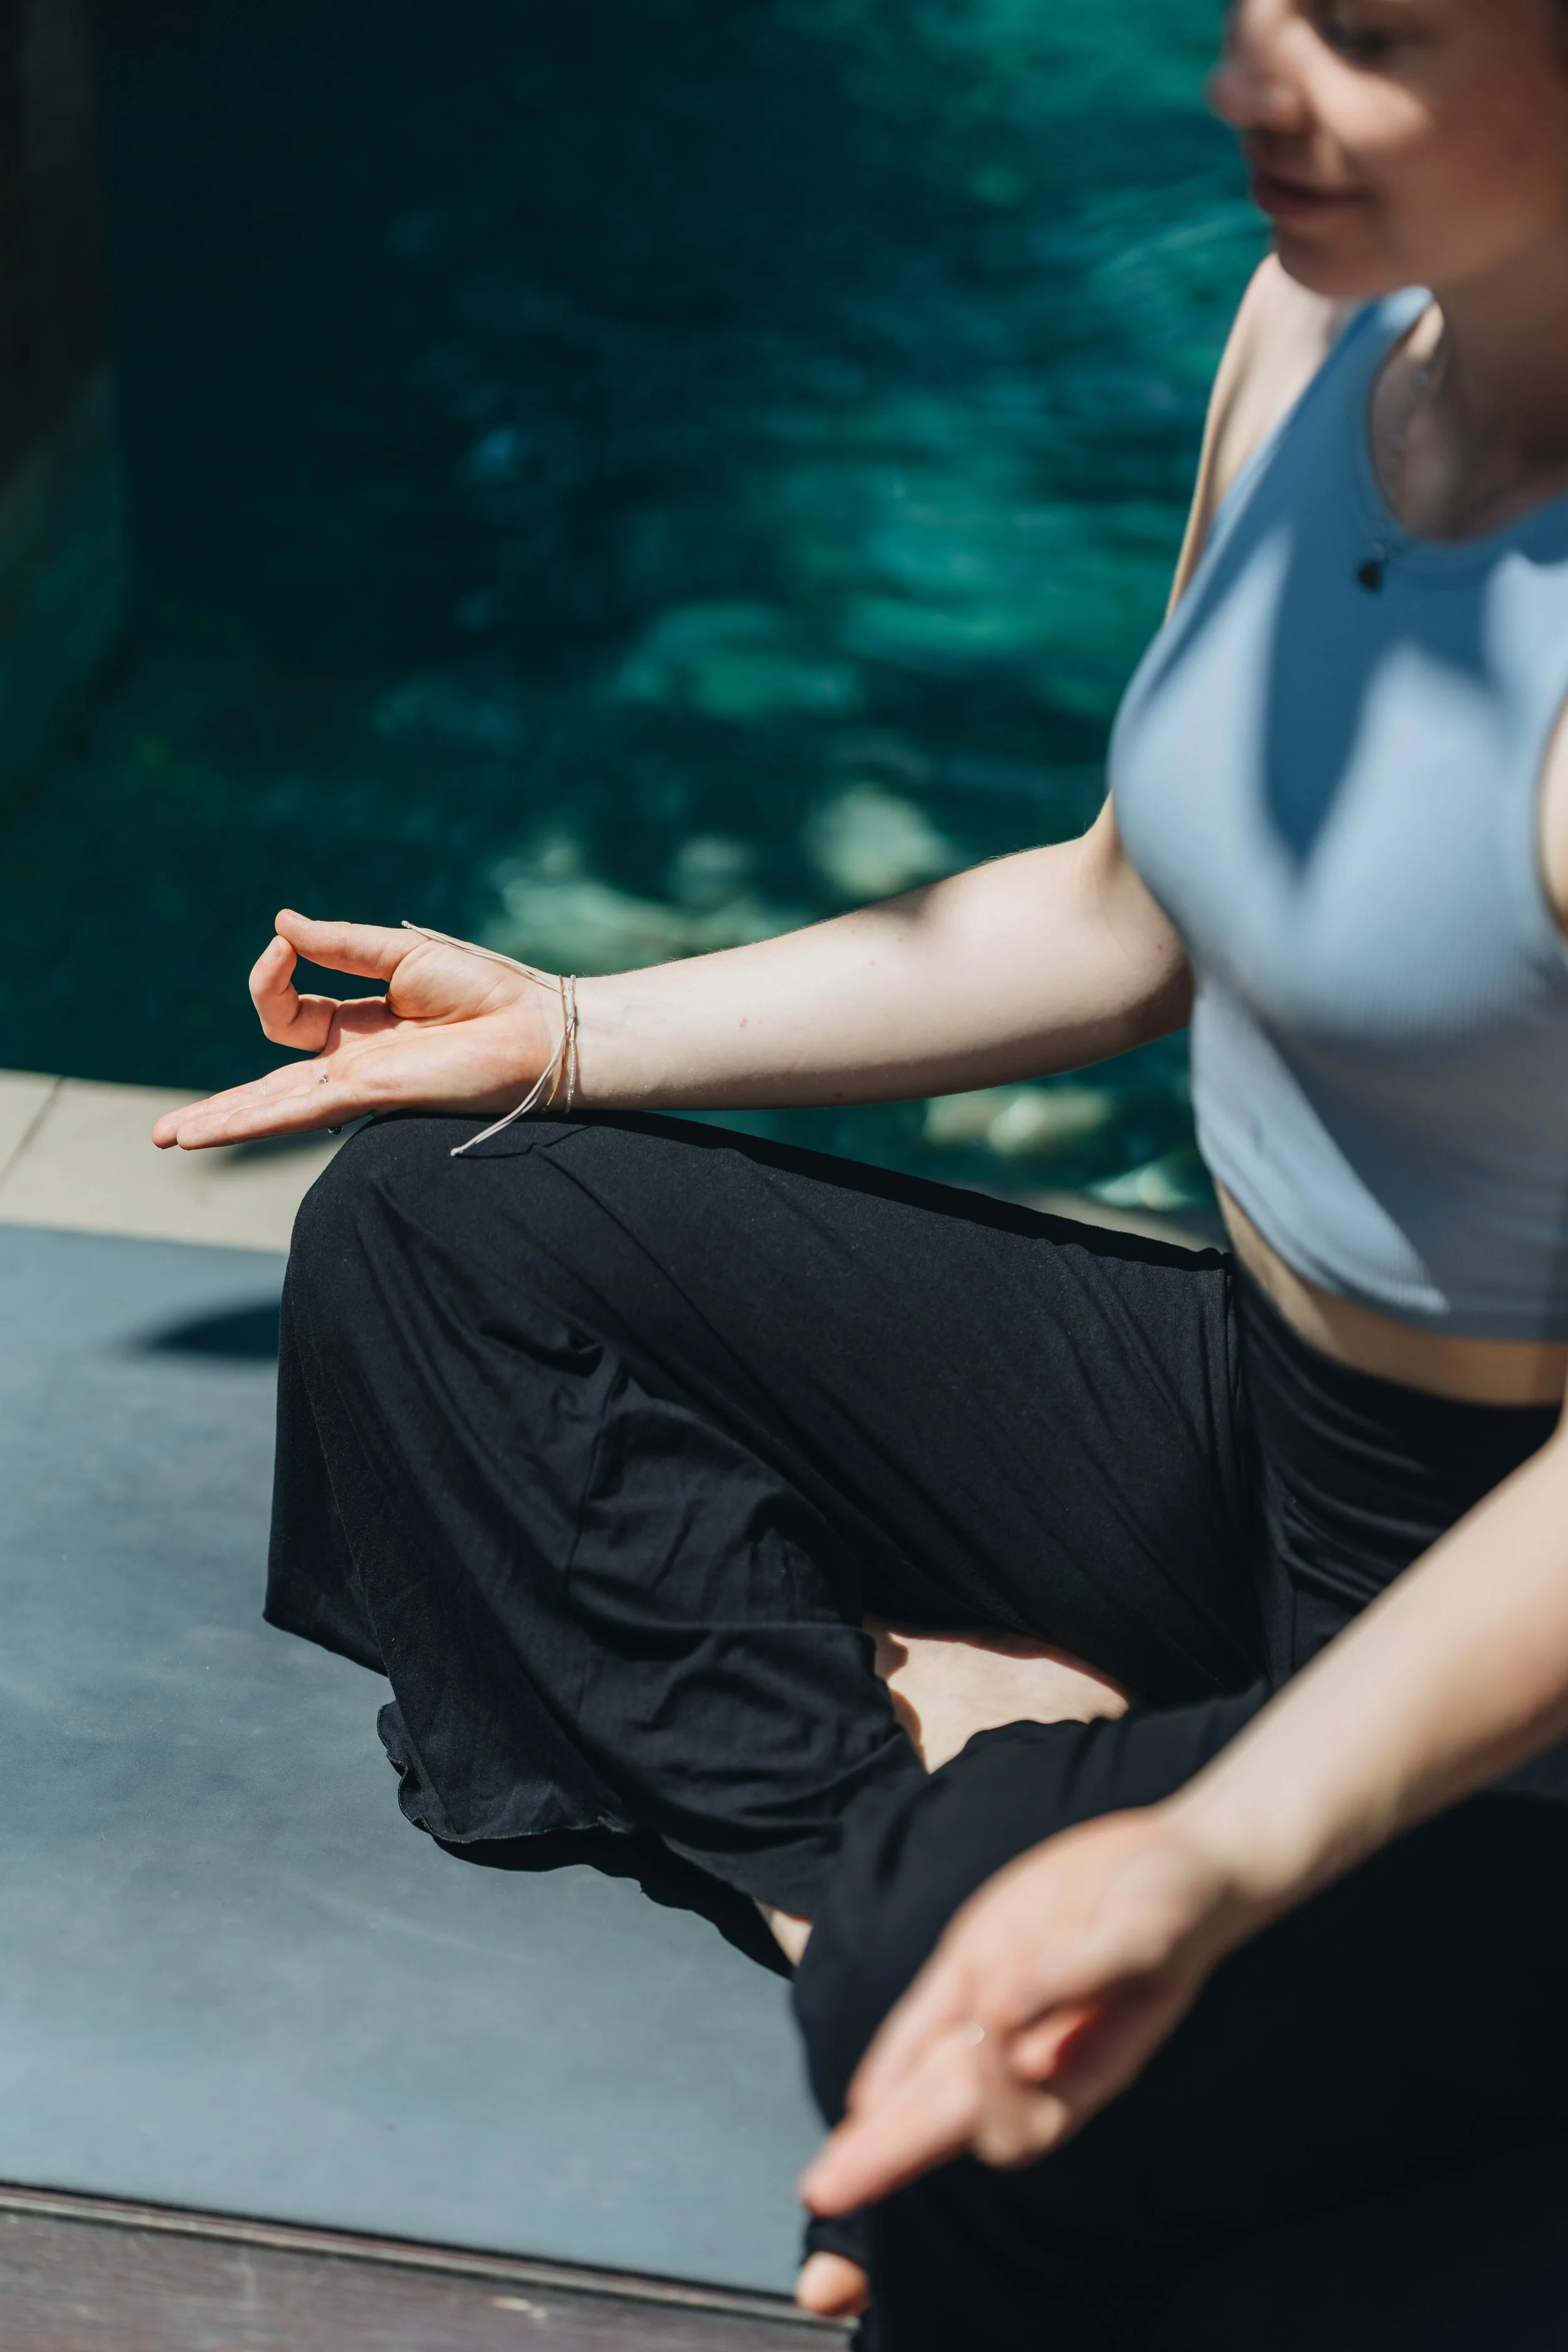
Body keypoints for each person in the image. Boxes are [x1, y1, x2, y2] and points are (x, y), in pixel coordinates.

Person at [157, 0, 1568, 2339]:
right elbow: (1126, 911)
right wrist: (580, 1030)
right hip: (1272, 1424)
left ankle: (978, 1861)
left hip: (1513, 1619)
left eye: (1374, 34)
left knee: (956, 1990)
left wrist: (1219, 1841)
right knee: (442, 1227)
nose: (1251, 87)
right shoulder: (1332, 309)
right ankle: (966, 1807)